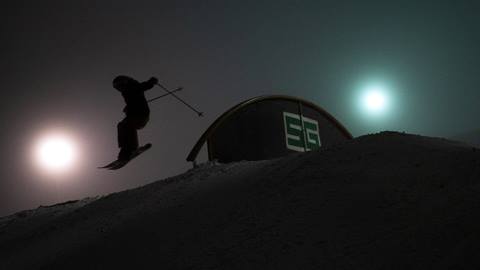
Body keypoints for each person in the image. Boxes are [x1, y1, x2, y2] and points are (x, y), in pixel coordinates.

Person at [112, 75, 158, 160]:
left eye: (119, 87)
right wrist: (128, 107)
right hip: (134, 115)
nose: (120, 89)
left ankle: (131, 148)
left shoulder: (133, 86)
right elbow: (133, 101)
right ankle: (125, 149)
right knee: (121, 125)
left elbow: (142, 87)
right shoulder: (126, 92)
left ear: (124, 83)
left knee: (128, 124)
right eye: (117, 88)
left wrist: (151, 82)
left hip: (141, 115)